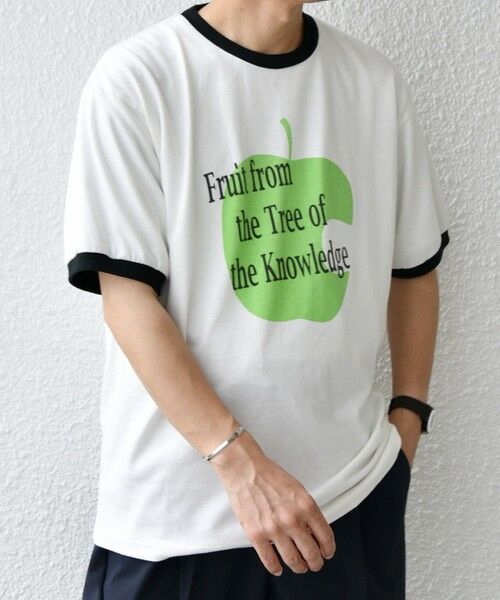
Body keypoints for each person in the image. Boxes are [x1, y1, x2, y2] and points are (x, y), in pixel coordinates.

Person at [63, 1, 451, 598]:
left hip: (346, 506)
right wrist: (240, 466)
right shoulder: (140, 78)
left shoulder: (374, 83)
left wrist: (409, 420)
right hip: (180, 524)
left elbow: (414, 268)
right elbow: (127, 298)